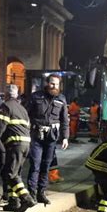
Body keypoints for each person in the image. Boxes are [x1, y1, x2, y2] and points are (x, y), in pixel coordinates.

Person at [27, 74, 69, 204]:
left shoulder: (61, 99)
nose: (54, 86)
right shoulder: (36, 97)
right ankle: (32, 194)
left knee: (46, 166)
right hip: (36, 136)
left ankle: (41, 193)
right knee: (35, 165)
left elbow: (64, 120)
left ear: (59, 85)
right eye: (51, 83)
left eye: (56, 84)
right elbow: (26, 114)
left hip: (51, 138)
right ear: (47, 83)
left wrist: (65, 137)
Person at [0, 85, 36, 212]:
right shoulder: (22, 109)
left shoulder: (5, 106)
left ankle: (26, 198)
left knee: (10, 174)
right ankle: (14, 201)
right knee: (15, 173)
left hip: (15, 144)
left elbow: (0, 128)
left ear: (6, 95)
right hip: (25, 145)